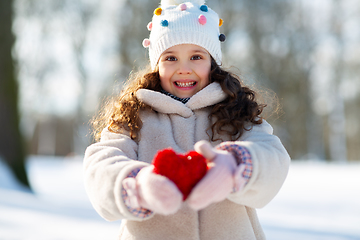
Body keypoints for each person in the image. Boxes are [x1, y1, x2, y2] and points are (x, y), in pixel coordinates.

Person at [83, 0, 291, 239]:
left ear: (212, 63)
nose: (183, 68)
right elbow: (100, 165)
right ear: (156, 65)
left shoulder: (236, 112)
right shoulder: (134, 116)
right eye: (170, 58)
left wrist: (236, 166)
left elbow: (273, 156)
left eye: (196, 57)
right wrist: (138, 185)